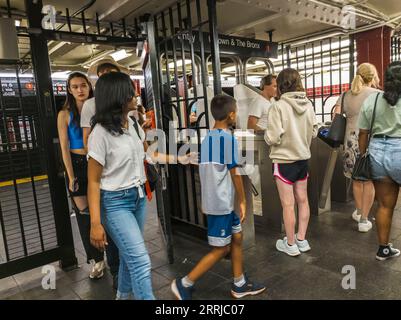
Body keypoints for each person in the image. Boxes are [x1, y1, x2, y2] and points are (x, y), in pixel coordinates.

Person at [87, 72, 194, 300]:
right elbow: (93, 181)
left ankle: (122, 296)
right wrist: (95, 223)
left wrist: (179, 159)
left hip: (137, 198)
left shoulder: (133, 123)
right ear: (117, 96)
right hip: (114, 203)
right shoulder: (100, 134)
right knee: (140, 260)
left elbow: (148, 154)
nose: (136, 94)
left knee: (130, 257)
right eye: (130, 90)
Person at [171, 94, 266, 300]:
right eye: (236, 113)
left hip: (220, 202)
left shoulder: (208, 138)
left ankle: (239, 283)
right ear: (231, 115)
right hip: (221, 204)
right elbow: (235, 173)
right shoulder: (227, 139)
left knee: (237, 238)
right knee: (221, 249)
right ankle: (184, 283)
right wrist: (242, 201)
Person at [56, 72, 105, 279]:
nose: (80, 90)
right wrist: (71, 176)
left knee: (106, 211)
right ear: (69, 90)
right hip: (77, 165)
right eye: (75, 86)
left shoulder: (99, 109)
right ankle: (97, 260)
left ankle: (114, 254)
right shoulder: (64, 114)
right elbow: (64, 147)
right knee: (85, 217)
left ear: (89, 87)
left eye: (83, 85)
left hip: (99, 162)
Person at [264, 68, 318, 257]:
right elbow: (314, 131)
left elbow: (272, 137)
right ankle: (302, 240)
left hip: (283, 161)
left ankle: (290, 243)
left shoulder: (277, 107)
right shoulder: (308, 105)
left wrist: (270, 137)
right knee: (303, 200)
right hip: (303, 159)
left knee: (288, 204)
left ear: (280, 85)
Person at [81, 59, 123, 289]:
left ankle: (124, 284)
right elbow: (89, 141)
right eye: (102, 74)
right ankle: (118, 280)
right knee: (118, 242)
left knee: (129, 244)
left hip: (129, 184)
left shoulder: (127, 107)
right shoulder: (91, 108)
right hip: (109, 180)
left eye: (111, 73)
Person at [358, 61, 401, 260]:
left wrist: (362, 153)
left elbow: (363, 133)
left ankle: (383, 249)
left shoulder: (373, 100)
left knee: (384, 205)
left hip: (378, 152)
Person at [333, 63, 380, 232]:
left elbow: (336, 116)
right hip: (371, 142)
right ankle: (364, 220)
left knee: (356, 179)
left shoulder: (345, 95)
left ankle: (359, 212)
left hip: (350, 143)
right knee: (369, 182)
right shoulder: (378, 95)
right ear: (373, 76)